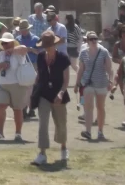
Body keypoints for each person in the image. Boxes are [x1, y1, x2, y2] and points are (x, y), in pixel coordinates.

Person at [31, 30, 70, 166]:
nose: (47, 48)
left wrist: (61, 93)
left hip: (59, 95)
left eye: (49, 45)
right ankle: (42, 153)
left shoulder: (63, 58)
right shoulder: (41, 57)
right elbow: (39, 75)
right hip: (44, 94)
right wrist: (33, 89)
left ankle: (63, 147)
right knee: (43, 124)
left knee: (61, 124)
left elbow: (66, 81)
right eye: (45, 46)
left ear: (55, 44)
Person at [0, 32, 31, 141]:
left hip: (17, 84)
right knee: (0, 106)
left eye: (7, 43)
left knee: (17, 109)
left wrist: (11, 50)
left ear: (12, 43)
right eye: (3, 43)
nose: (5, 45)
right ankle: (0, 132)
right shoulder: (0, 55)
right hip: (3, 84)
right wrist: (1, 65)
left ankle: (18, 133)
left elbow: (24, 48)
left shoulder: (18, 53)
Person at [75, 31, 112, 141]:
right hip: (87, 83)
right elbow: (81, 69)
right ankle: (88, 131)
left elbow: (109, 69)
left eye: (95, 38)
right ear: (87, 41)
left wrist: (110, 81)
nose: (94, 41)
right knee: (88, 107)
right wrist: (77, 83)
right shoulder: (83, 53)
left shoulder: (104, 52)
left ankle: (100, 131)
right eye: (91, 39)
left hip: (101, 82)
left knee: (100, 107)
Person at [17, 20, 41, 118]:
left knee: (32, 88)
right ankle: (24, 108)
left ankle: (30, 108)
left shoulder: (35, 39)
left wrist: (30, 49)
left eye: (24, 30)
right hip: (21, 64)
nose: (23, 32)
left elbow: (40, 52)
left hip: (33, 64)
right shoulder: (17, 39)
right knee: (23, 87)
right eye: (21, 30)